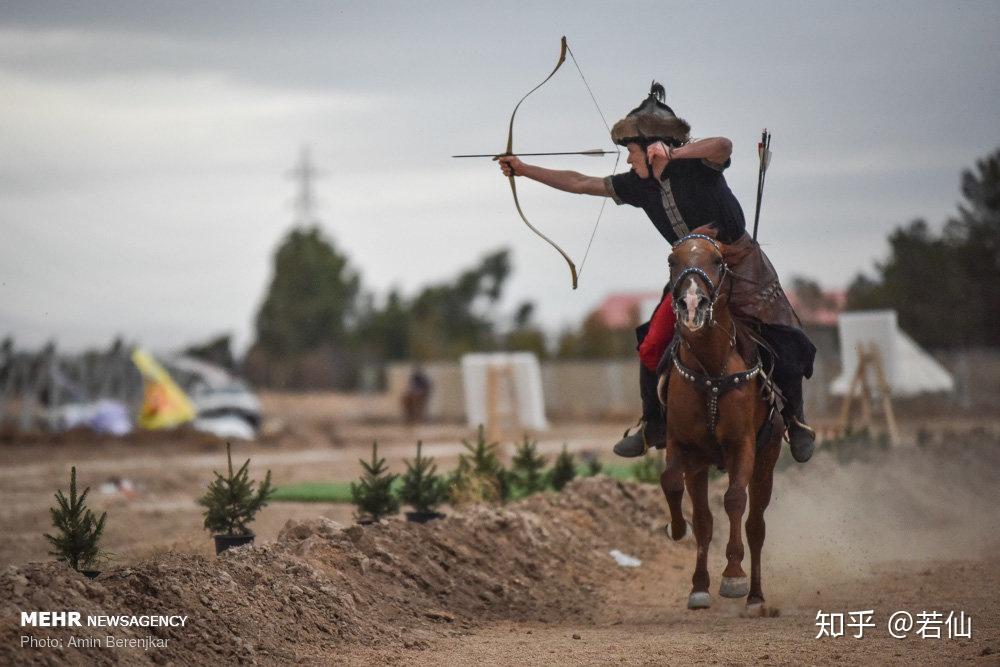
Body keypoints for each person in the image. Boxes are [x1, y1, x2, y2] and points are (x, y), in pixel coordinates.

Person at [498, 82, 816, 463]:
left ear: (653, 148)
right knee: (652, 345)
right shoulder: (638, 186)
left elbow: (724, 145)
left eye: (632, 152)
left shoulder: (699, 167)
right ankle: (653, 424)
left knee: (781, 337)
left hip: (741, 265)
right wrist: (523, 169)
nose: (629, 160)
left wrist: (677, 153)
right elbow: (580, 182)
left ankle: (796, 422)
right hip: (692, 274)